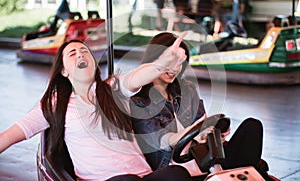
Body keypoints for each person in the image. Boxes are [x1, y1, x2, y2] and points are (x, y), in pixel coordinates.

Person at [0, 38, 193, 181]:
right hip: (103, 180)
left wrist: (162, 64)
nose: (81, 54)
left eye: (84, 51)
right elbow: (10, 135)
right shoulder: (56, 103)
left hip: (142, 176)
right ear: (63, 71)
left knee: (176, 173)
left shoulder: (113, 88)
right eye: (72, 53)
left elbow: (137, 77)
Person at [129, 32, 277, 181]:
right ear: (155, 60)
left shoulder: (186, 89)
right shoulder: (140, 103)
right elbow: (162, 141)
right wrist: (193, 134)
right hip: (177, 168)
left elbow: (202, 122)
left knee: (252, 126)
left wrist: (212, 132)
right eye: (171, 61)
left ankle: (247, 174)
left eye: (180, 63)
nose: (175, 69)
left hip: (206, 156)